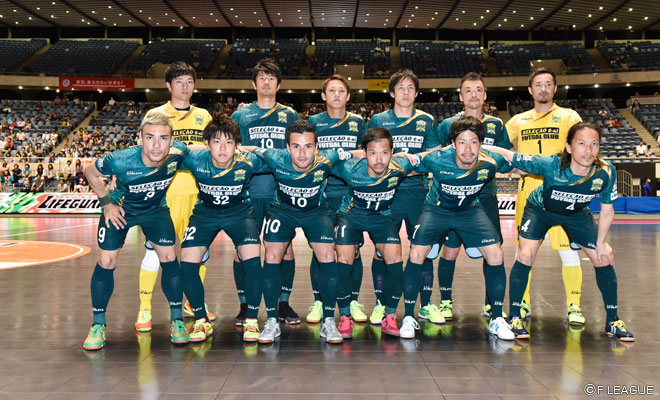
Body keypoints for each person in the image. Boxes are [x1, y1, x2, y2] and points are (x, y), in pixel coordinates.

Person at [485, 122, 634, 342]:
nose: (588, 150)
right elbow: (509, 155)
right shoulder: (550, 165)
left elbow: (607, 211)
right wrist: (480, 146)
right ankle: (515, 316)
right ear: (569, 147)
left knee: (603, 257)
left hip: (576, 213)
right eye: (581, 144)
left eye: (594, 144)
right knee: (525, 255)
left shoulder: (605, 171)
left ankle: (613, 320)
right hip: (540, 211)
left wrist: (602, 243)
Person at [82, 111, 190, 351]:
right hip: (121, 210)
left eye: (163, 138)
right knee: (106, 260)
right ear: (140, 138)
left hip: (155, 210)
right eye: (150, 137)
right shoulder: (120, 160)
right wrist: (106, 204)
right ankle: (98, 324)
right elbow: (90, 171)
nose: (156, 145)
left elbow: (204, 152)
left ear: (171, 141)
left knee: (169, 256)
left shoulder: (178, 153)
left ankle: (177, 320)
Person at [401, 117, 515, 340]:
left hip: (470, 210)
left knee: (496, 254)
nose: (468, 149)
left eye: (474, 142)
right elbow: (408, 164)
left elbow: (521, 164)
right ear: (452, 144)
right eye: (462, 142)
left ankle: (497, 318)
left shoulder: (491, 160)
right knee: (416, 254)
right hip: (436, 210)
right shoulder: (436, 158)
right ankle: (407, 317)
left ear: (481, 144)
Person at [241, 120, 350, 344]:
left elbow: (360, 153)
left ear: (317, 147)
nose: (302, 154)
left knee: (328, 255)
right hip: (284, 211)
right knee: (271, 255)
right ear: (287, 148)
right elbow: (250, 148)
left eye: (308, 146)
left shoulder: (328, 158)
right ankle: (272, 320)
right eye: (296, 146)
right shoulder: (274, 156)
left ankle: (329, 320)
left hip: (315, 212)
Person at [135, 61, 213, 334]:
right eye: (179, 81)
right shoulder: (156, 114)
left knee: (199, 253)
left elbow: (211, 151)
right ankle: (145, 308)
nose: (185, 86)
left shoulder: (203, 115)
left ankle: (193, 302)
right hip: (164, 194)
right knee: (155, 253)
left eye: (189, 81)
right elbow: (147, 151)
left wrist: (186, 149)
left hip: (197, 193)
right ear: (168, 85)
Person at [430, 72, 513, 322]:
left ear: (485, 95)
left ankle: (491, 304)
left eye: (478, 90)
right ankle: (446, 302)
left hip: (486, 196)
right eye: (468, 90)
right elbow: (437, 155)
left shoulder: (496, 124)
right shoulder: (447, 125)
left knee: (493, 252)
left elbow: (507, 156)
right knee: (450, 252)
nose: (474, 95)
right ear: (460, 96)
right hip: (454, 198)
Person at [506, 68, 586, 325]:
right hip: (529, 190)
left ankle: (574, 305)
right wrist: (513, 166)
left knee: (568, 250)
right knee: (524, 251)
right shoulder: (518, 120)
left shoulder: (569, 116)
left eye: (548, 84)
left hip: (562, 191)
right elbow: (498, 147)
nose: (543, 88)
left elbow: (582, 145)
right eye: (538, 84)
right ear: (530, 90)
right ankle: (522, 302)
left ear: (555, 88)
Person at [179, 115, 268, 343]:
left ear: (237, 145)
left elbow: (282, 159)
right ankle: (201, 320)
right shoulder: (195, 159)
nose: (222, 149)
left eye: (229, 142)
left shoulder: (248, 160)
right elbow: (170, 149)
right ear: (207, 144)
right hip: (205, 213)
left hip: (239, 213)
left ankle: (251, 320)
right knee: (187, 264)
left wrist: (251, 148)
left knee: (253, 262)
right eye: (216, 142)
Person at [231, 58, 300, 326]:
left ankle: (283, 304)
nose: (267, 82)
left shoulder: (290, 115)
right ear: (254, 84)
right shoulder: (240, 116)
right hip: (248, 190)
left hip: (280, 191)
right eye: (262, 78)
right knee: (243, 249)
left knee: (285, 248)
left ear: (279, 85)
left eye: (272, 78)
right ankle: (244, 306)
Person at [366, 69, 437, 325]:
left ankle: (425, 305)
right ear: (392, 92)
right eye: (401, 88)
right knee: (381, 251)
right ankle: (381, 304)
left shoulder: (427, 120)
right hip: (388, 194)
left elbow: (434, 155)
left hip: (419, 194)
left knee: (423, 251)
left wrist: (408, 163)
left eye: (410, 88)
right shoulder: (379, 119)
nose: (405, 92)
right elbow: (371, 155)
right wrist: (399, 164)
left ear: (416, 93)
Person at [333, 127, 419, 338]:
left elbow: (433, 158)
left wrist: (410, 157)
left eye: (385, 153)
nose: (379, 160)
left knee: (396, 261)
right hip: (351, 216)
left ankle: (390, 315)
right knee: (344, 262)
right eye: (372, 153)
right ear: (364, 152)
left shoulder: (401, 166)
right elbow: (321, 160)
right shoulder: (350, 168)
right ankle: (345, 317)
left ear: (392, 152)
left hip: (381, 217)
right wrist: (352, 154)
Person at [306, 74, 367, 324]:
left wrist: (346, 154)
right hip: (321, 193)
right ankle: (320, 301)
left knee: (353, 249)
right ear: (323, 96)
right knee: (321, 248)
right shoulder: (313, 122)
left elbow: (366, 152)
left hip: (350, 195)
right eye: (331, 90)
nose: (337, 95)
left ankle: (351, 301)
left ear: (348, 96)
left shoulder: (358, 122)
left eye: (341, 91)